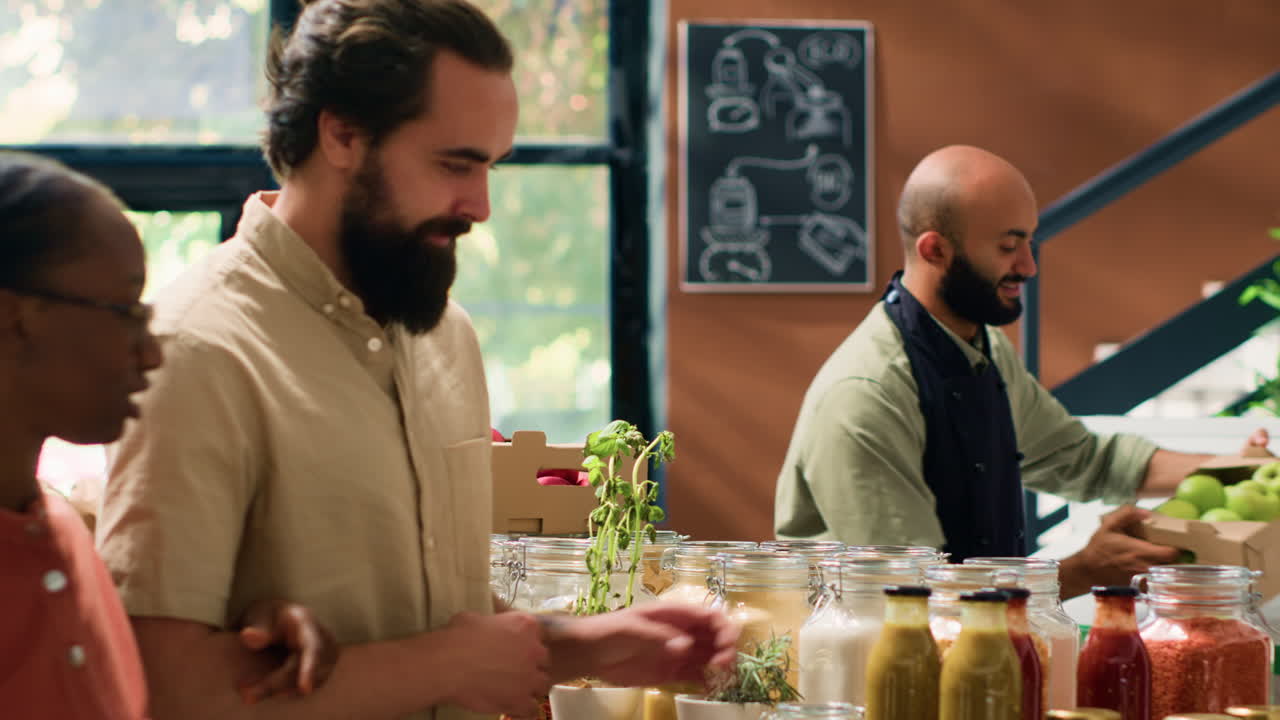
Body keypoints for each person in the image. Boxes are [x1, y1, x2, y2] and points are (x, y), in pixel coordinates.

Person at [95, 2, 737, 719]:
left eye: (491, 166)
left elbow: (431, 615)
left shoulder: (443, 338)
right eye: (454, 164)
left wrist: (598, 645)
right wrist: (441, 666)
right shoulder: (197, 352)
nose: (482, 206)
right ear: (342, 134)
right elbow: (157, 687)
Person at [773, 144, 1269, 598]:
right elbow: (911, 598)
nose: (1029, 267)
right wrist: (1083, 572)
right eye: (1008, 247)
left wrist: (1239, 470)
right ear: (935, 250)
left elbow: (1081, 458)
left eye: (1029, 242)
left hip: (974, 654)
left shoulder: (980, 344)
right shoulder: (868, 394)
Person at [0, 152, 340, 717]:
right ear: (13, 319)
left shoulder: (58, 537)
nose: (152, 352)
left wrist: (245, 641)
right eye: (125, 310)